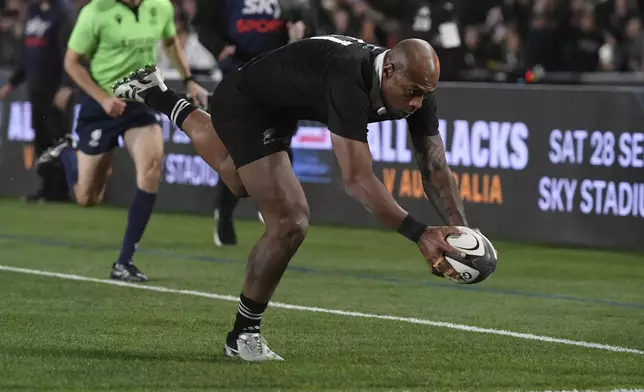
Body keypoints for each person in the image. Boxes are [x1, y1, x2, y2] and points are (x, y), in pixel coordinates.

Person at [113, 34, 469, 361]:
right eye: (411, 92)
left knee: (238, 181)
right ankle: (243, 335)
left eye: (424, 94)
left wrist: (461, 234)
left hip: (283, 105)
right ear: (388, 69)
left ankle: (158, 94)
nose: (416, 102)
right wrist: (421, 234)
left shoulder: (417, 84)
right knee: (289, 221)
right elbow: (358, 180)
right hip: (245, 100)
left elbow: (434, 165)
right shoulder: (351, 79)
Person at [36, 0, 209, 282]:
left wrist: (189, 79)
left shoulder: (160, 6)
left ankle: (124, 262)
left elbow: (169, 40)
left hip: (140, 101)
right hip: (101, 104)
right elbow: (71, 62)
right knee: (88, 197)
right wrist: (103, 98)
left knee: (152, 168)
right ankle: (67, 152)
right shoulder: (95, 12)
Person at [192, 0, 309, 246]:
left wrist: (302, 34)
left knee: (280, 140)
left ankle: (275, 203)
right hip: (239, 73)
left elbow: (311, 21)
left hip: (280, 73)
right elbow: (203, 22)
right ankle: (225, 215)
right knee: (239, 149)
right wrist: (219, 46)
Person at [0, 0, 76, 202]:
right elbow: (28, 54)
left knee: (57, 138)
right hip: (36, 88)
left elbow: (71, 52)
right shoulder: (33, 11)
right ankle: (46, 187)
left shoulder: (63, 13)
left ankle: (61, 190)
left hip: (55, 88)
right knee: (41, 140)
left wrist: (67, 85)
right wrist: (13, 82)